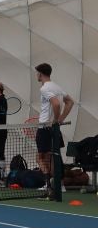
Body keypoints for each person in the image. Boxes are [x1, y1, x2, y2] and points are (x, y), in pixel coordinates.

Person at [34, 63, 74, 196]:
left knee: (41, 157)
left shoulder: (45, 88)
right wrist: (60, 119)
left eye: (37, 73)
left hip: (46, 127)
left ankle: (49, 185)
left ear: (40, 73)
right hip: (52, 128)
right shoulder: (56, 86)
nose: (36, 75)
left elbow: (56, 103)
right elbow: (70, 102)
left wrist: (56, 120)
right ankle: (59, 184)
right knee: (54, 157)